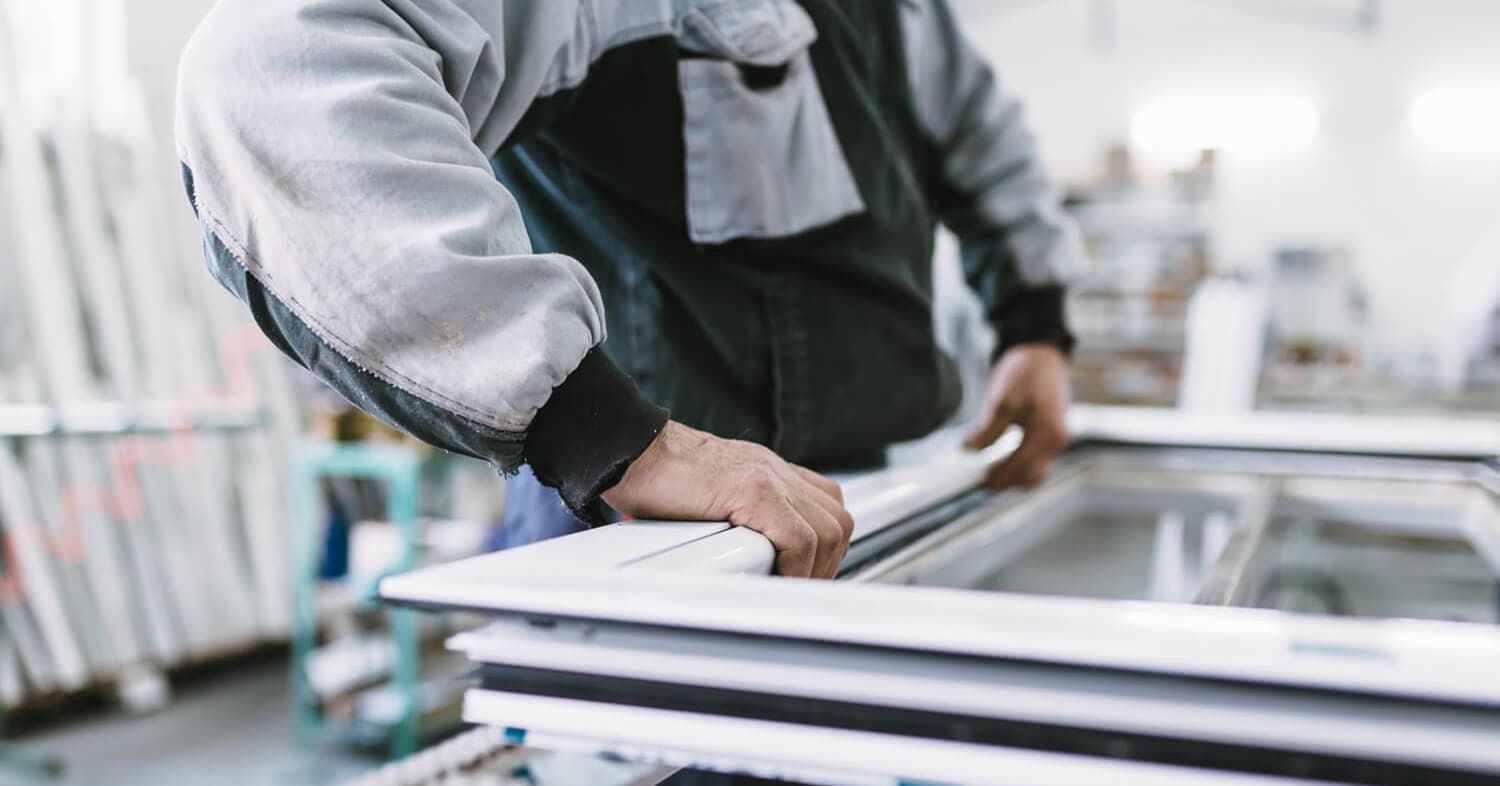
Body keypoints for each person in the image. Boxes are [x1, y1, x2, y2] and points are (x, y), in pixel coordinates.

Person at [176, 0, 1082, 580]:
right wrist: (609, 437)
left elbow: (977, 131)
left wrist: (1034, 326)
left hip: (853, 512)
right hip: (641, 528)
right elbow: (273, 68)